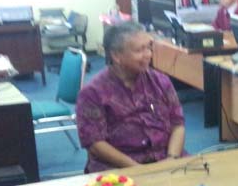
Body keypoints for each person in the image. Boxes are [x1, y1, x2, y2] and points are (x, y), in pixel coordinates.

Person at [77, 22, 186, 173]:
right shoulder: (93, 93)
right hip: (119, 168)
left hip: (166, 160)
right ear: (116, 56)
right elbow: (95, 144)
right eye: (139, 50)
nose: (148, 54)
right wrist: (139, 170)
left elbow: (178, 124)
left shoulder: (161, 81)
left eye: (149, 47)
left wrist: (171, 159)